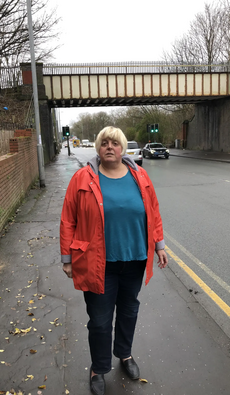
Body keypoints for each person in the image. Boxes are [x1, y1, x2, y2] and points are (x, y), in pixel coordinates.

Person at [60, 126, 168, 395]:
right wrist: (67, 258)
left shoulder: (140, 176)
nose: (110, 147)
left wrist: (160, 246)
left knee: (129, 312)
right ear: (99, 148)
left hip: (134, 260)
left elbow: (153, 211)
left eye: (115, 143)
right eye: (105, 143)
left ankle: (125, 354)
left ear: (123, 149)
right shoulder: (83, 178)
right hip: (97, 263)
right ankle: (99, 368)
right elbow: (68, 218)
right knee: (99, 320)